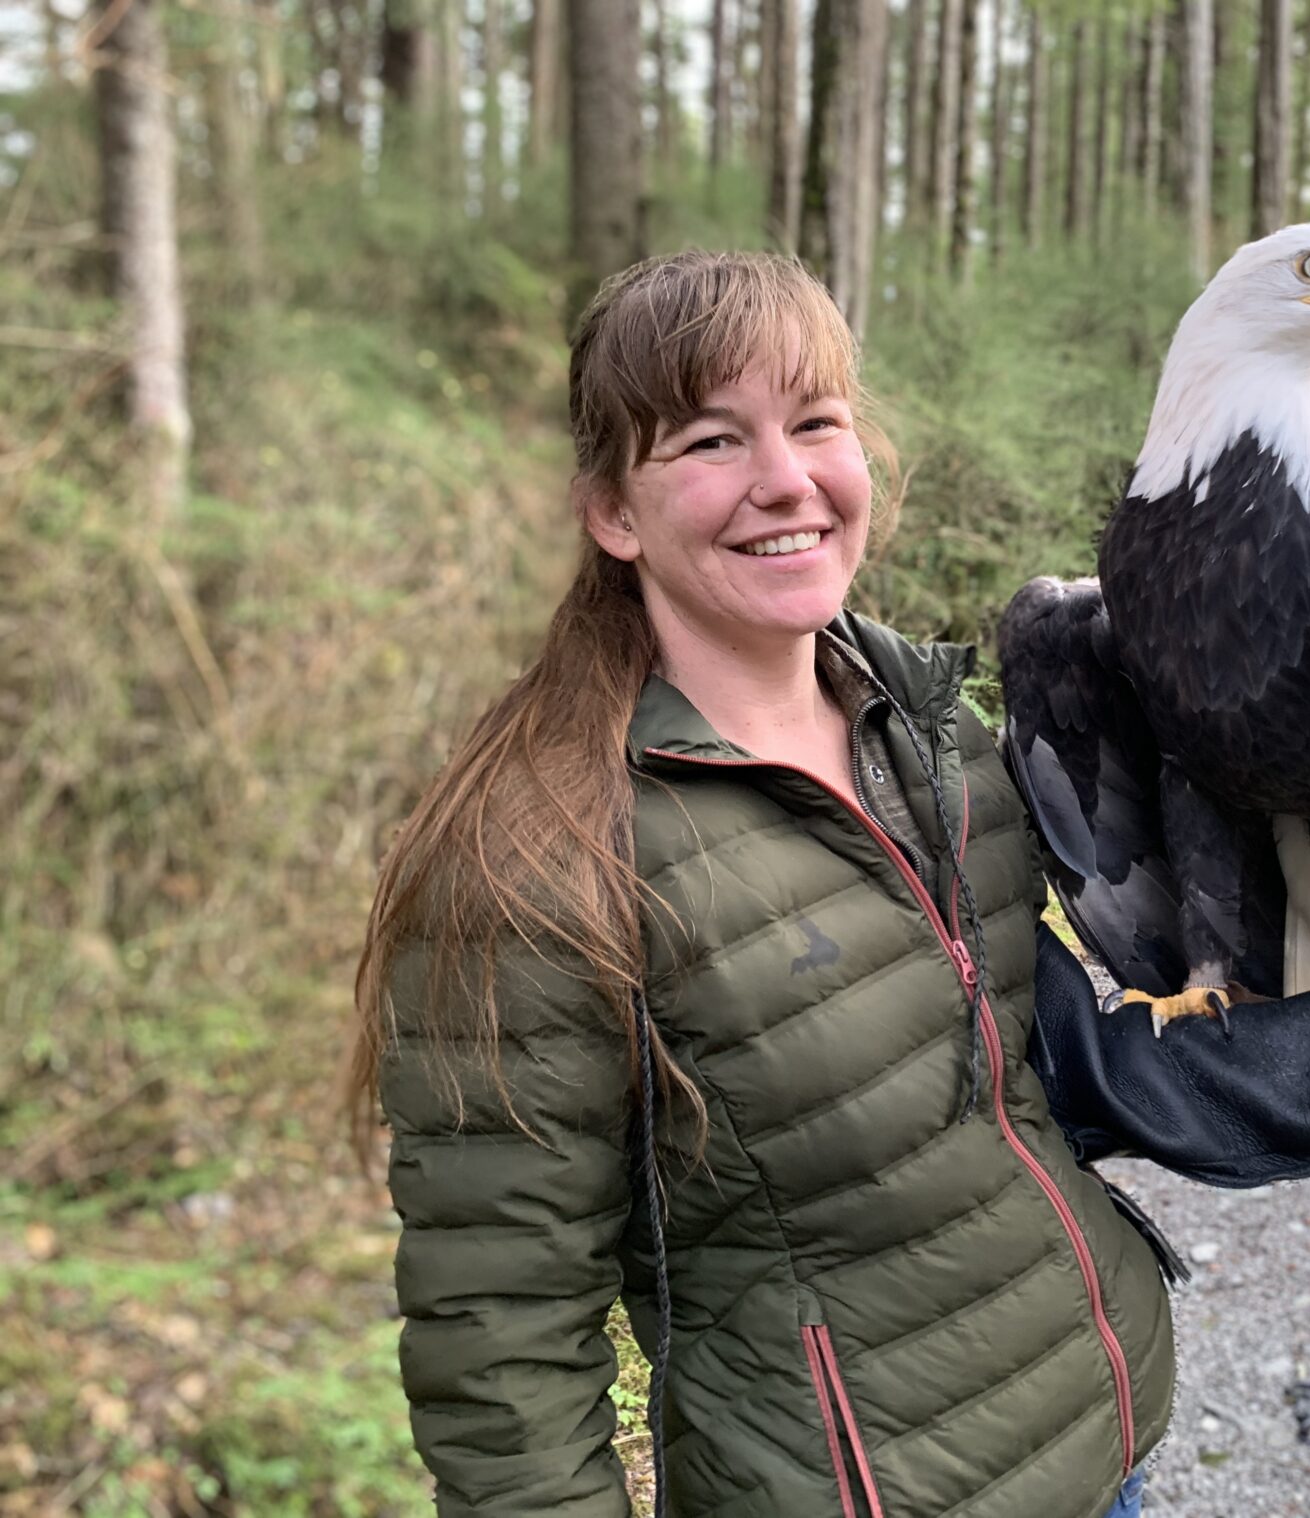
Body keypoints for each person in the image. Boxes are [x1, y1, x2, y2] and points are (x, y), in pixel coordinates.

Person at [349, 251, 1174, 1518]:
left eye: (814, 423)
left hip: (1098, 1438)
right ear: (613, 513)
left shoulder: (935, 736)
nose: (784, 481)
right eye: (708, 443)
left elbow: (1011, 1076)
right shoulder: (535, 857)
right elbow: (500, 1337)